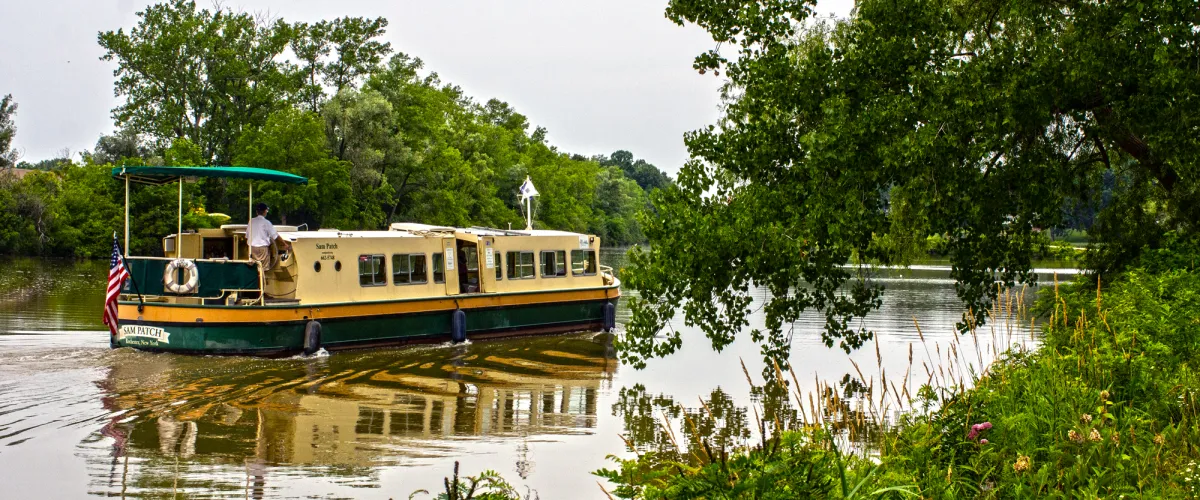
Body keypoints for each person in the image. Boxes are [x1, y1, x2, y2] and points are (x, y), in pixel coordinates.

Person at [249, 202, 290, 271]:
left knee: (255, 268)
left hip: (252, 248)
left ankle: (256, 281)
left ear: (257, 212)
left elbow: (247, 236)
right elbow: (275, 236)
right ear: (265, 211)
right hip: (262, 249)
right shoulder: (266, 222)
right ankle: (262, 281)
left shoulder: (251, 221)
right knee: (263, 269)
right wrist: (285, 244)